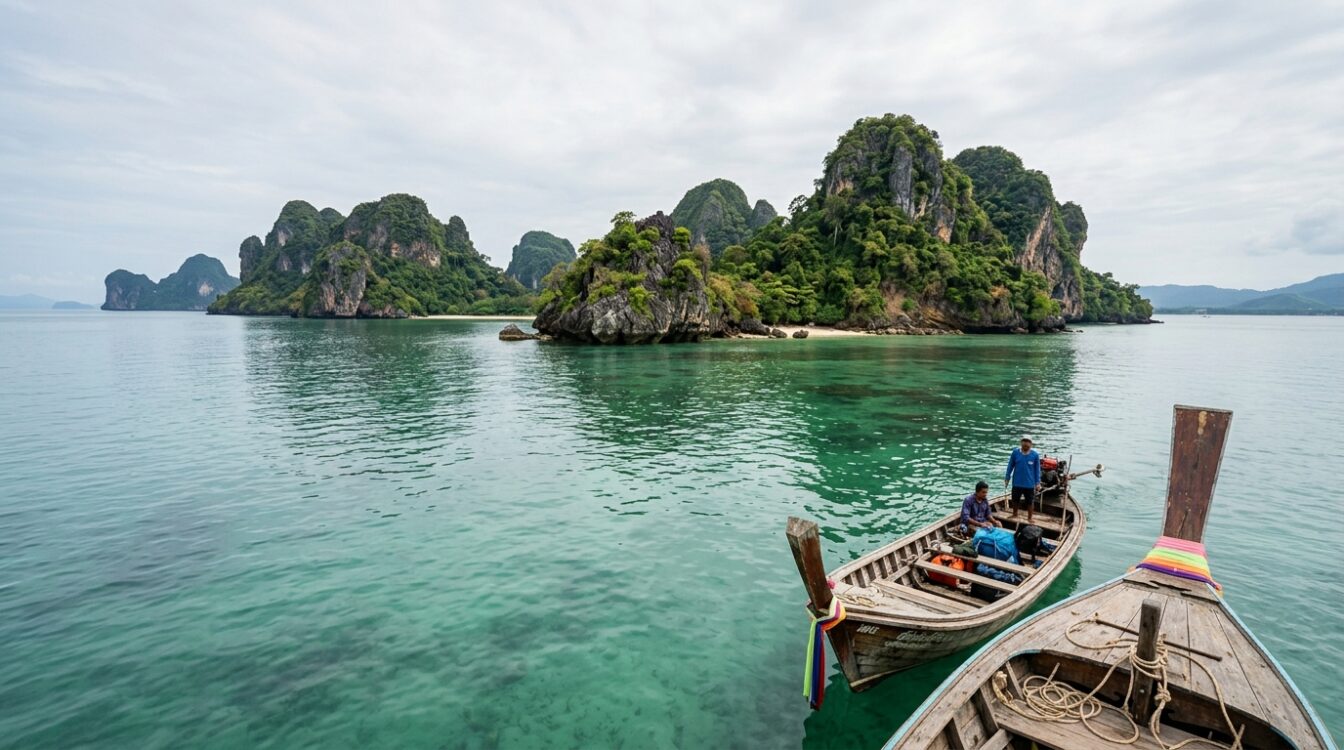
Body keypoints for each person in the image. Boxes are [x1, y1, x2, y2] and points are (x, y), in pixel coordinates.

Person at [1004, 434, 1042, 523]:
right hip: (1017, 482)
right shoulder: (1015, 453)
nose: (1026, 443)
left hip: (1029, 484)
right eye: (1024, 441)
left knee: (1030, 501)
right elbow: (1010, 466)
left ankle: (1030, 517)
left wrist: (1037, 483)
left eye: (1028, 442)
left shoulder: (1035, 455)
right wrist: (1007, 477)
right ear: (1021, 442)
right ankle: (1015, 514)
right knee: (1015, 499)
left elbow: (1037, 470)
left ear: (1031, 444)